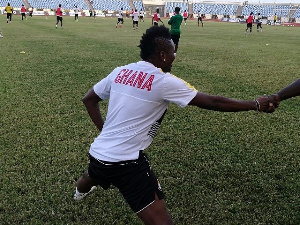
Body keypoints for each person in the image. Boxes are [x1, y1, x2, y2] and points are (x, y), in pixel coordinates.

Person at [73, 25, 274, 225]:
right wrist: (255, 104)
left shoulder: (120, 72)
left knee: (93, 173)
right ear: (162, 55)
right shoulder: (164, 81)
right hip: (128, 163)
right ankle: (84, 188)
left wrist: (105, 130)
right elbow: (214, 102)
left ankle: (78, 193)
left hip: (99, 152)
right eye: (172, 52)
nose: (174, 56)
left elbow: (88, 99)